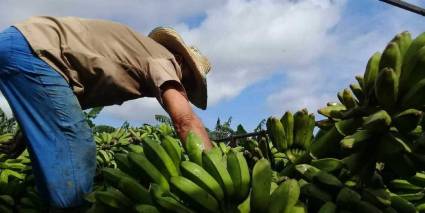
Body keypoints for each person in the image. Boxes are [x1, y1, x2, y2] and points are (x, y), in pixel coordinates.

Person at [0, 16, 213, 210]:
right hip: (33, 51)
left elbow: (56, 106)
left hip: (21, 44)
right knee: (79, 146)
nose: (182, 87)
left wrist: (24, 134)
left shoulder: (135, 54)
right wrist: (212, 171)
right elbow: (185, 120)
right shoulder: (164, 59)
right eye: (187, 79)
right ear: (181, 60)